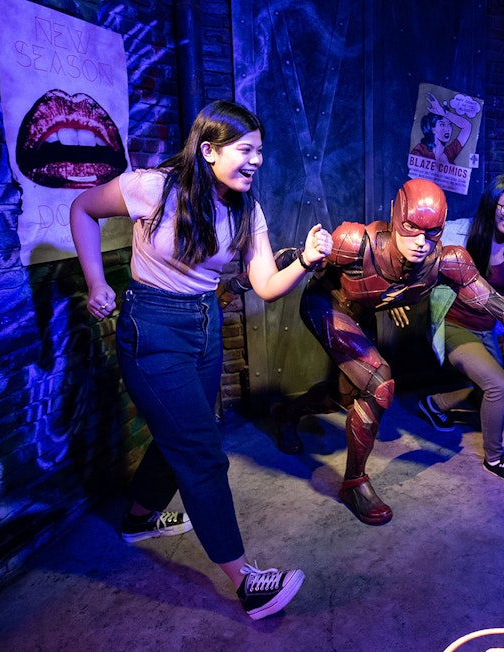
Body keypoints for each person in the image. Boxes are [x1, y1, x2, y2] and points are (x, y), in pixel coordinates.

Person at [69, 100, 332, 620]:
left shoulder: (246, 208)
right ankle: (245, 582)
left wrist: (304, 260)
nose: (257, 161)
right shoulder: (154, 187)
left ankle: (140, 516)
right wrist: (97, 282)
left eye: (261, 151)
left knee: (183, 431)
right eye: (246, 150)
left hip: (204, 325)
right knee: (202, 450)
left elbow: (264, 286)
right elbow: (82, 209)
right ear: (208, 151)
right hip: (153, 327)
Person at [263, 178, 504, 526]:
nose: (421, 242)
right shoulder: (355, 241)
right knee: (379, 384)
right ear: (395, 217)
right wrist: (238, 283)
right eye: (411, 228)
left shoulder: (448, 261)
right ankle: (355, 483)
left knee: (344, 396)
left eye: (432, 232)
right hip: (326, 306)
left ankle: (286, 413)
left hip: (361, 313)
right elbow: (295, 260)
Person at [398, 173, 504, 485]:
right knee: (499, 386)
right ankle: (494, 458)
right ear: (491, 203)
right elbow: (410, 251)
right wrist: (398, 294)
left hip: (486, 330)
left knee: (493, 397)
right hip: (452, 325)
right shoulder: (456, 231)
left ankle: (434, 404)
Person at [410, 92, 471, 165]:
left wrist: (445, 114)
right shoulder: (420, 150)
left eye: (449, 124)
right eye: (442, 125)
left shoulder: (449, 153)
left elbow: (467, 126)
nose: (447, 129)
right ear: (433, 129)